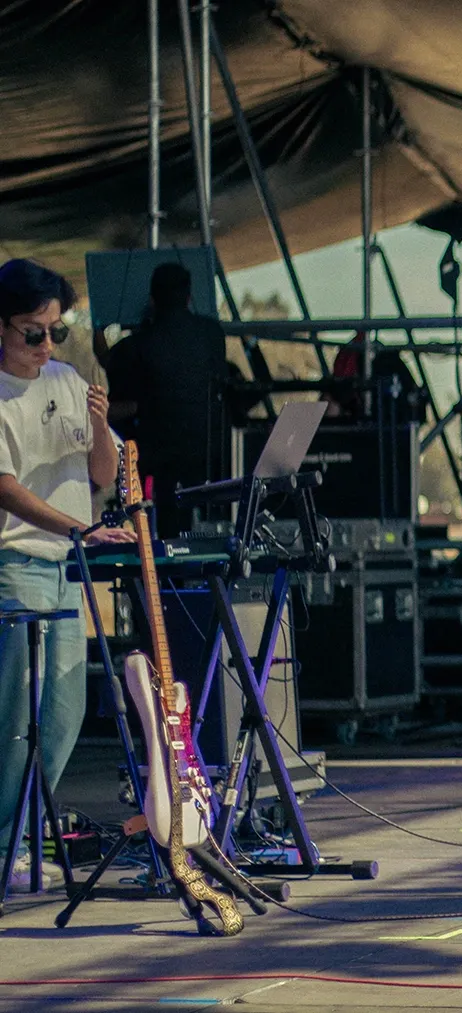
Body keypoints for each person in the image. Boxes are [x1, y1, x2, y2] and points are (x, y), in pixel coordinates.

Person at [0, 260, 133, 891]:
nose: (47, 345)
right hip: (15, 563)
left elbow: (104, 473)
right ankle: (7, 843)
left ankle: (22, 836)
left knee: (64, 710)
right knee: (17, 713)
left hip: (63, 567)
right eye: (33, 332)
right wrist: (76, 529)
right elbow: (5, 490)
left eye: (59, 329)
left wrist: (102, 424)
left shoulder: (67, 378)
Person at [103, 262, 231, 537]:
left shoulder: (137, 346)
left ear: (152, 299)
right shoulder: (212, 334)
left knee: (167, 527)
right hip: (208, 455)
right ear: (188, 296)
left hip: (158, 460)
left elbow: (116, 369)